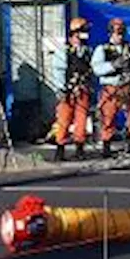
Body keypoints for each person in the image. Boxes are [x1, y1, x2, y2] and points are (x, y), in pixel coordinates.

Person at [92, 18, 130, 159]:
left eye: (122, 33)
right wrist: (113, 65)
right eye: (117, 33)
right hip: (111, 88)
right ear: (110, 33)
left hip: (127, 87)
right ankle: (106, 145)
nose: (119, 36)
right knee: (108, 117)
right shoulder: (102, 49)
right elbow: (97, 68)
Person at [52, 17, 94, 161]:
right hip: (67, 91)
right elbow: (58, 71)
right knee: (64, 119)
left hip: (83, 90)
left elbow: (92, 69)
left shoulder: (88, 51)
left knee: (81, 119)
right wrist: (61, 88)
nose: (81, 38)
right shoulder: (63, 52)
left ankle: (79, 148)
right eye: (78, 35)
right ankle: (60, 148)